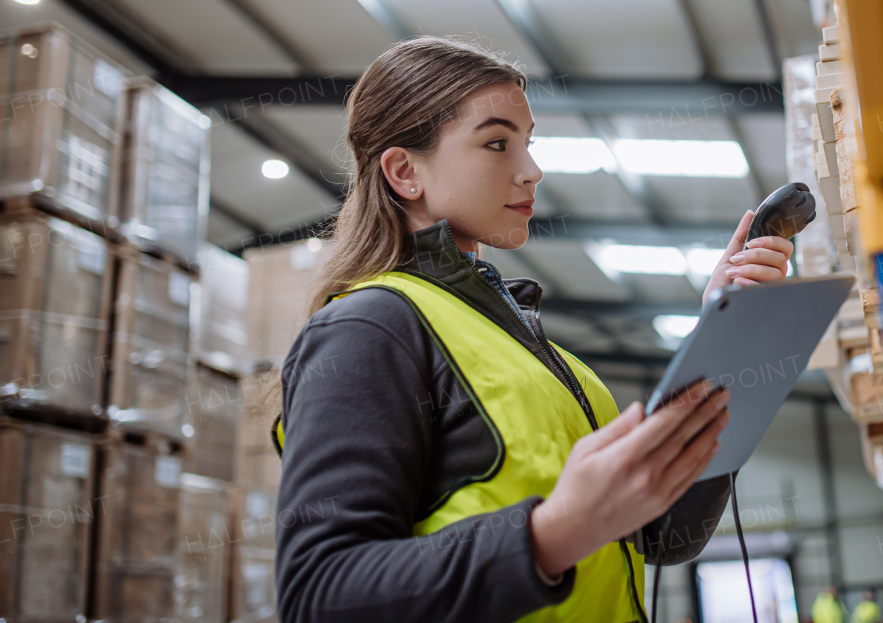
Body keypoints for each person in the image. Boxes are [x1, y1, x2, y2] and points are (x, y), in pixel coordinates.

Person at [272, 38, 795, 623]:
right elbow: (320, 597)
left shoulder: (547, 358)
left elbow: (664, 536)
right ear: (404, 172)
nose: (533, 171)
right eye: (497, 143)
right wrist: (553, 532)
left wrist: (722, 337)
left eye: (528, 144)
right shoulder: (369, 329)